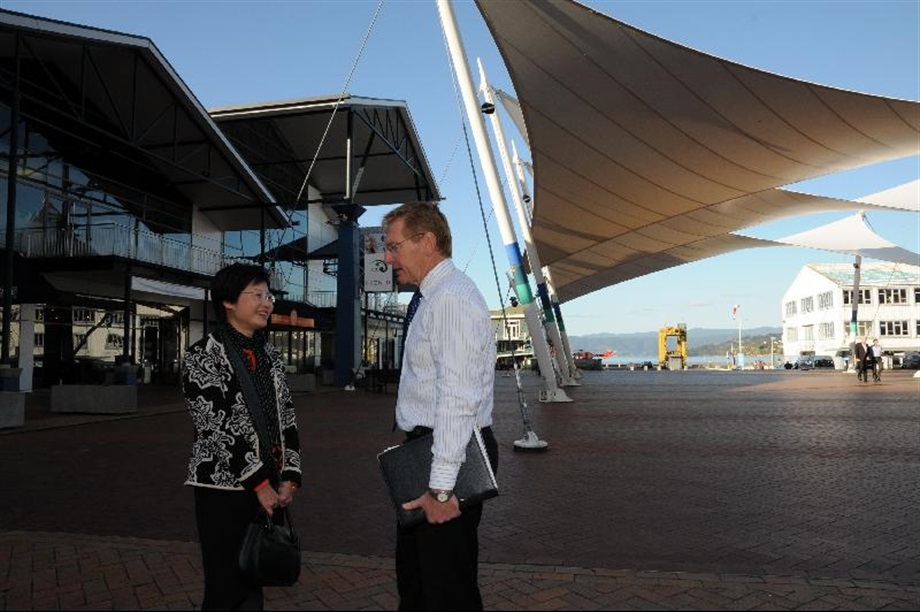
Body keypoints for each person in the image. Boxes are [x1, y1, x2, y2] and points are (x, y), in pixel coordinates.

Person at [382, 201, 499, 610]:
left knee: (445, 589)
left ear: (426, 241)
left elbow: (457, 398)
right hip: (432, 451)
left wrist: (442, 488)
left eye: (394, 246)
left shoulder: (450, 300)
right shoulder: (434, 297)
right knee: (418, 582)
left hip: (448, 453)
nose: (387, 256)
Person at [181, 263, 302, 610]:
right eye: (257, 295)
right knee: (225, 585)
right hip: (223, 489)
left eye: (269, 295)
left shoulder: (269, 355)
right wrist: (259, 483)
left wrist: (289, 477)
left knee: (254, 578)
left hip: (267, 486)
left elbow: (287, 417)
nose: (267, 303)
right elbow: (217, 427)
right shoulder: (203, 355)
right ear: (229, 302)